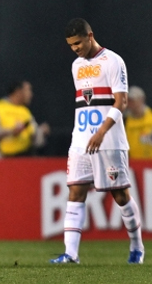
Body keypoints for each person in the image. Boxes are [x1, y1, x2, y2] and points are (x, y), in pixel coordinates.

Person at [51, 18, 144, 265]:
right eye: (71, 45)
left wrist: (102, 131)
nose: (75, 49)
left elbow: (121, 102)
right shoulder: (76, 66)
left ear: (90, 35)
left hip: (109, 140)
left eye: (78, 43)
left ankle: (137, 247)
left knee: (121, 196)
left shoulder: (113, 61)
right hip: (81, 140)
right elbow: (86, 103)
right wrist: (87, 133)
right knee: (75, 191)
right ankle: (71, 254)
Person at [0, 80, 50, 158]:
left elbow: (36, 139)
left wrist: (41, 131)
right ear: (18, 92)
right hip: (3, 159)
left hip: (25, 158)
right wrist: (11, 131)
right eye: (27, 91)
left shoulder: (25, 112)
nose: (30, 94)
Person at [124, 85, 152, 159]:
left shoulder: (150, 118)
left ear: (141, 99)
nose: (130, 104)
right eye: (128, 101)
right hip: (132, 164)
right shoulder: (125, 120)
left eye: (133, 100)